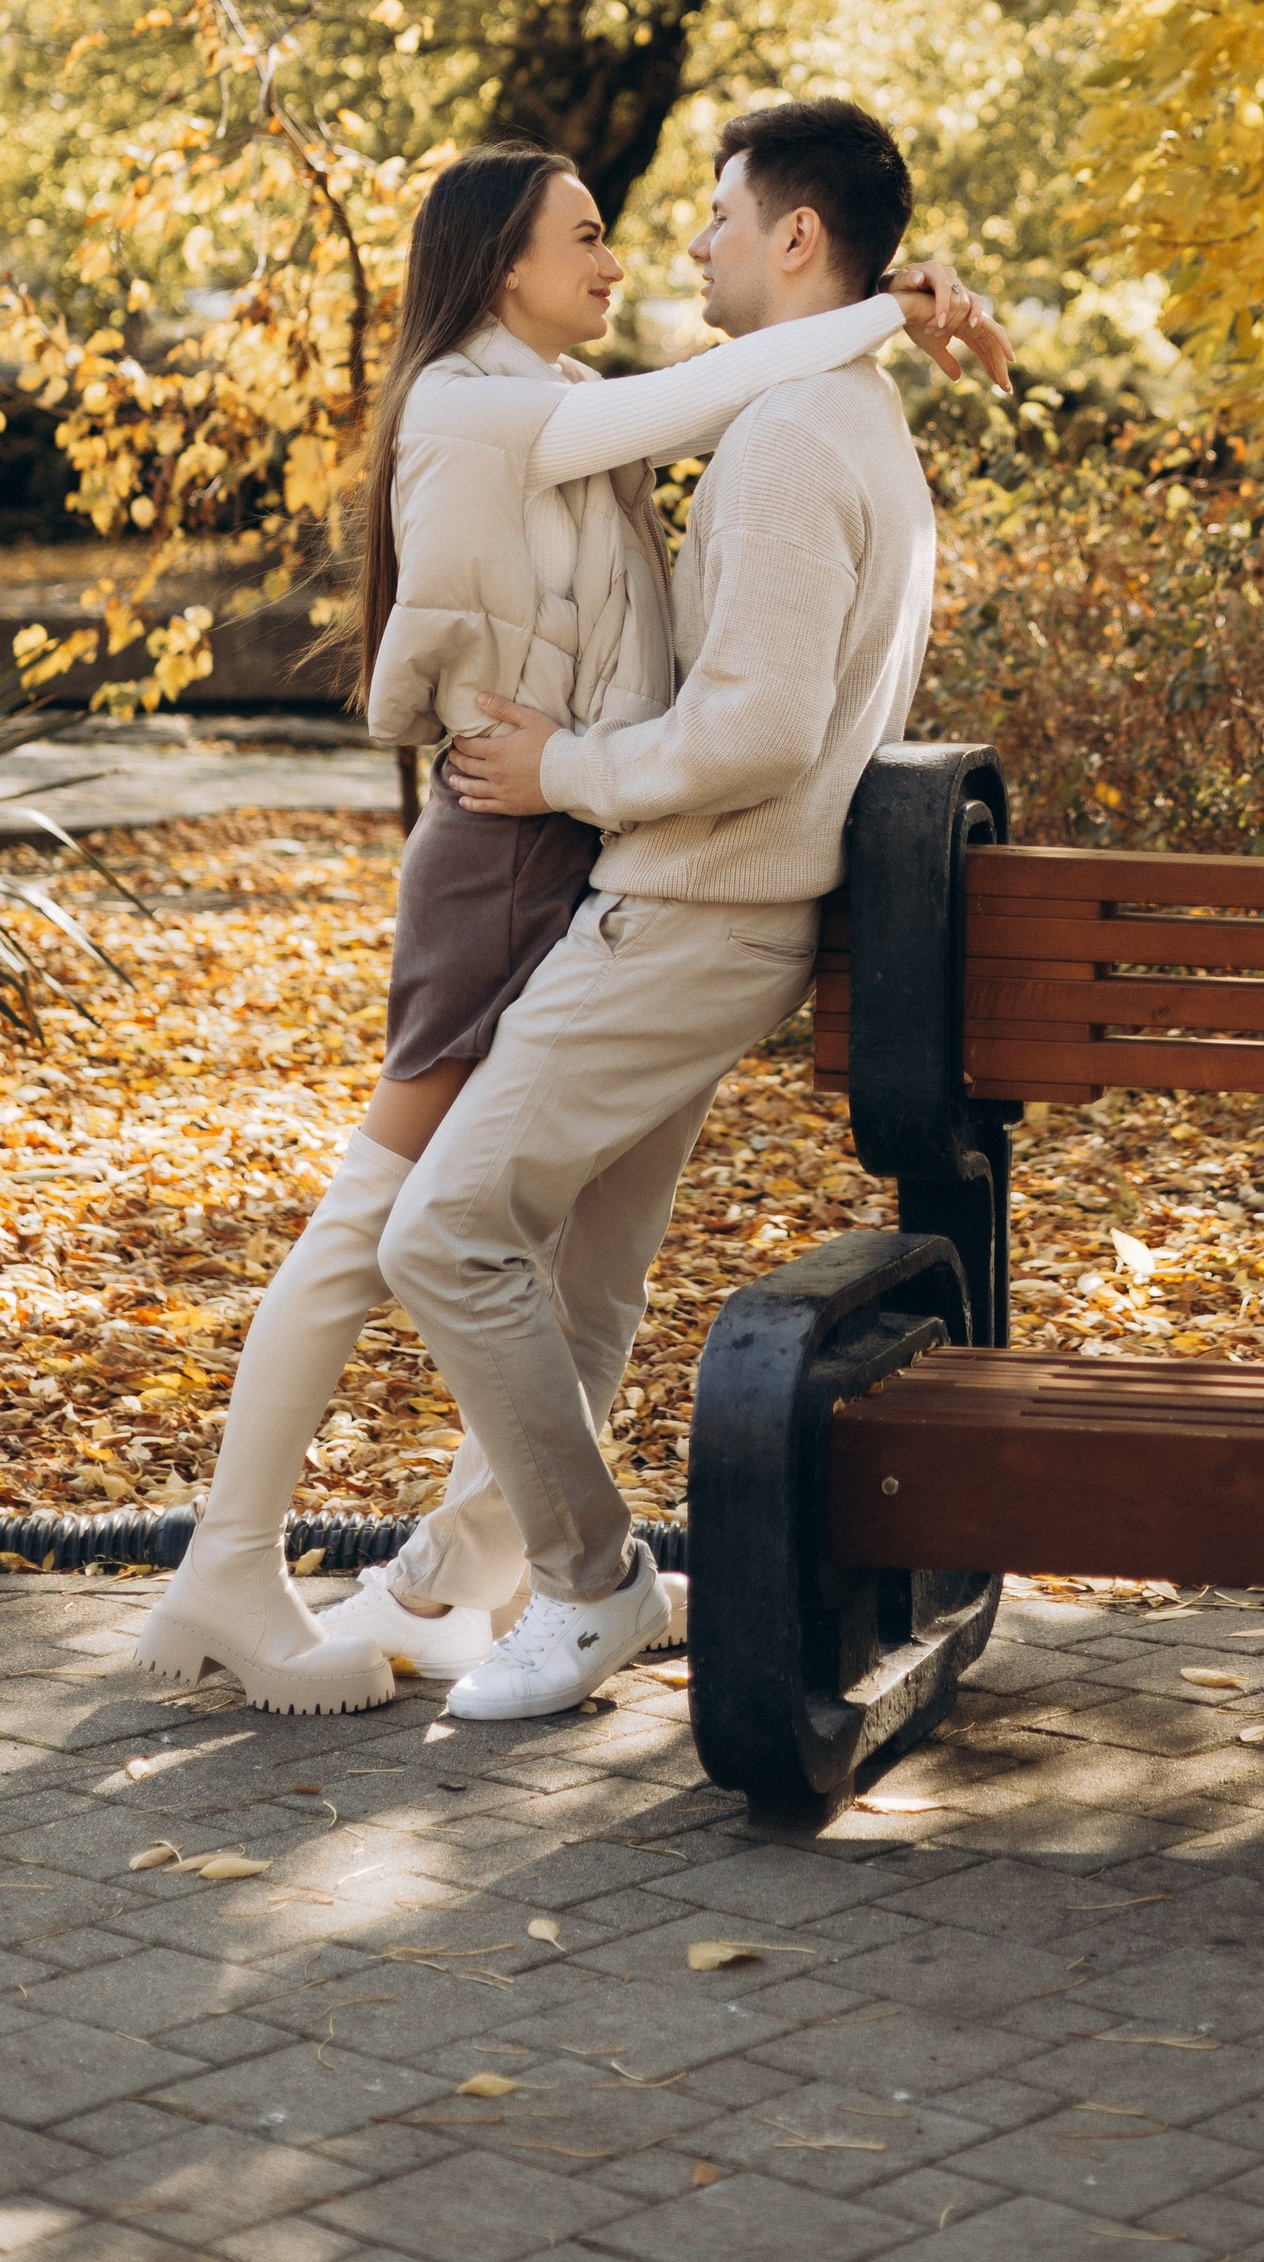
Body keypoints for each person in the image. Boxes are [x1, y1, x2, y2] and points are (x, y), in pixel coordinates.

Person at [135, 135, 998, 1712]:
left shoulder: (754, 425)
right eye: (591, 236)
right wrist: (890, 313)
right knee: (407, 1225)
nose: (651, 257)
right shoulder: (505, 406)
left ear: (793, 237)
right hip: (536, 858)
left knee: (494, 1252)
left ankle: (501, 1578)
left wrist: (891, 309)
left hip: (633, 866)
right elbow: (669, 410)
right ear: (502, 264)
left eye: (703, 222)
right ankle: (283, 1564)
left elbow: (733, 702)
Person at [360, 94, 961, 1722]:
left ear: (796, 239)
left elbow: (754, 727)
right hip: (727, 911)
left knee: (448, 1232)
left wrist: (568, 768)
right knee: (588, 1288)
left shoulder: (784, 442)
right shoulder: (843, 415)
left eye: (714, 211)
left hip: (687, 913)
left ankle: (591, 1580)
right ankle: (461, 1565)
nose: (685, 240)